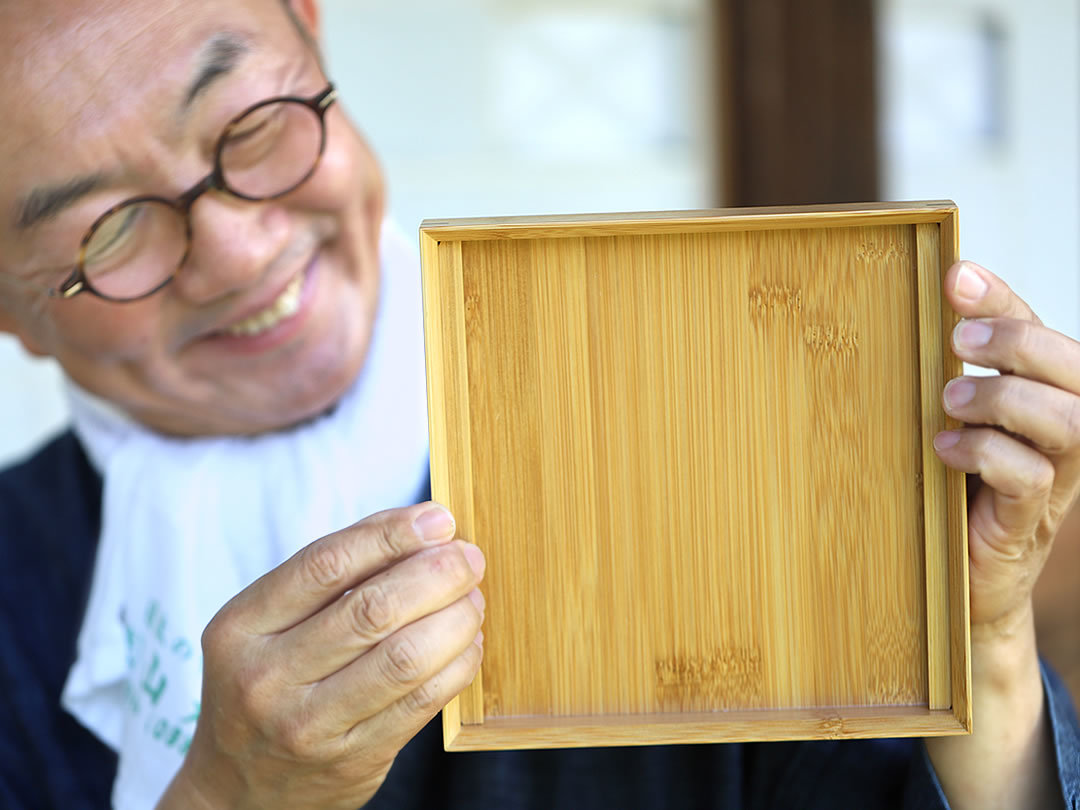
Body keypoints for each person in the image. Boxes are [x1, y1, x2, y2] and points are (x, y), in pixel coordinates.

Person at [0, 1, 1076, 808]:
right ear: (11, 312)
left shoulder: (697, 423)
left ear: (314, 34)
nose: (236, 252)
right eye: (106, 232)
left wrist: (977, 650)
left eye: (250, 124)